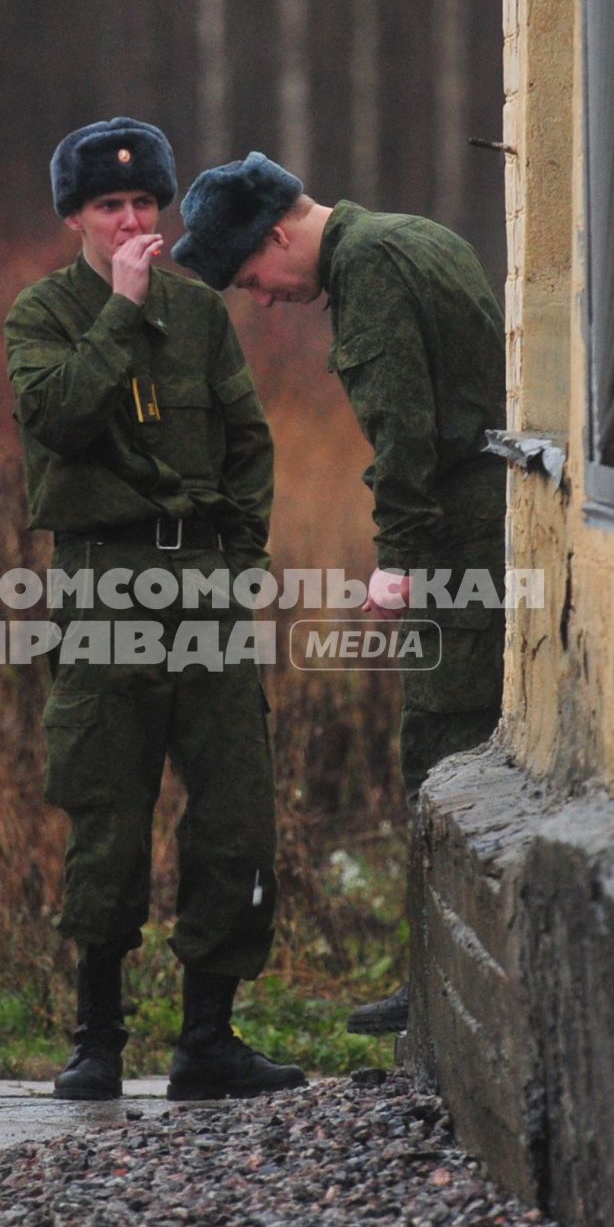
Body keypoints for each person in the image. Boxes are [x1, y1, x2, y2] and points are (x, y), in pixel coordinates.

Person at [172, 153, 507, 1037]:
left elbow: (404, 418)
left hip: (453, 537)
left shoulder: (369, 269)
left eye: (254, 276)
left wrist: (397, 555)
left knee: (440, 749)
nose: (264, 298)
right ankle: (438, 979)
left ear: (280, 234)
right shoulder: (413, 235)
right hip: (477, 520)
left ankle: (439, 989)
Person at [4, 117, 304, 1102]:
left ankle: (208, 1036)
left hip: (203, 586)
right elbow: (59, 416)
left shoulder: (201, 313)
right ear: (75, 218)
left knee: (232, 811)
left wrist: (243, 562)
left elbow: (247, 443)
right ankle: (97, 1037)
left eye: (144, 202)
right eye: (109, 205)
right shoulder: (44, 314)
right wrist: (122, 312)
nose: (132, 220)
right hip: (105, 579)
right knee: (107, 805)